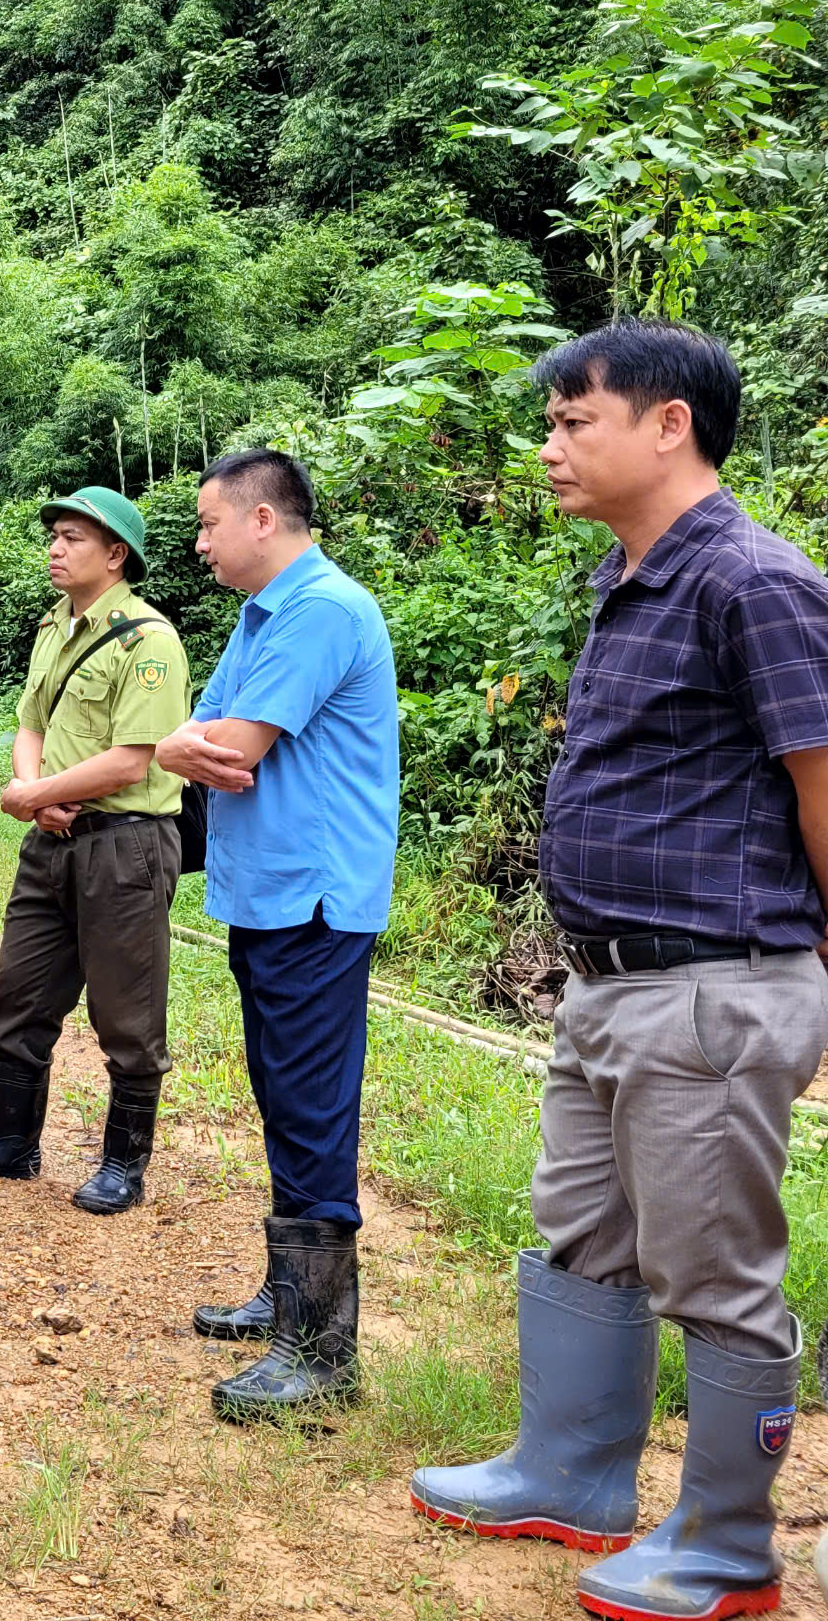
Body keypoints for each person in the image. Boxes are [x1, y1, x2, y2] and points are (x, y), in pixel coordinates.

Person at [409, 320, 828, 1621]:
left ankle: (726, 1548)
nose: (548, 447)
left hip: (713, 985)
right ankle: (569, 1475)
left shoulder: (754, 582)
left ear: (668, 424)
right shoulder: (629, 577)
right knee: (584, 1233)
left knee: (713, 1270)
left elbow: (823, 786)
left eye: (571, 421)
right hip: (607, 986)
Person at [156, 448, 397, 1422]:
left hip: (313, 901)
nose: (200, 544)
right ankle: (288, 1296)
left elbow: (228, 744)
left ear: (263, 519)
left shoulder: (322, 609)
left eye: (208, 524)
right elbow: (201, 732)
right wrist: (183, 743)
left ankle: (322, 1352)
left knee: (311, 1109)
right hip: (267, 897)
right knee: (282, 1097)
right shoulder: (263, 615)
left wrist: (184, 745)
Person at [0, 486, 193, 1214]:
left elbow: (133, 759)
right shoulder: (54, 627)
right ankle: (9, 1143)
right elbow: (31, 724)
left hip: (125, 846)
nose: (55, 548)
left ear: (116, 555)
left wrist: (34, 794)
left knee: (127, 1014)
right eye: (54, 536)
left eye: (74, 538)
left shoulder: (149, 641)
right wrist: (31, 789)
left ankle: (123, 1167)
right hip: (52, 840)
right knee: (18, 994)